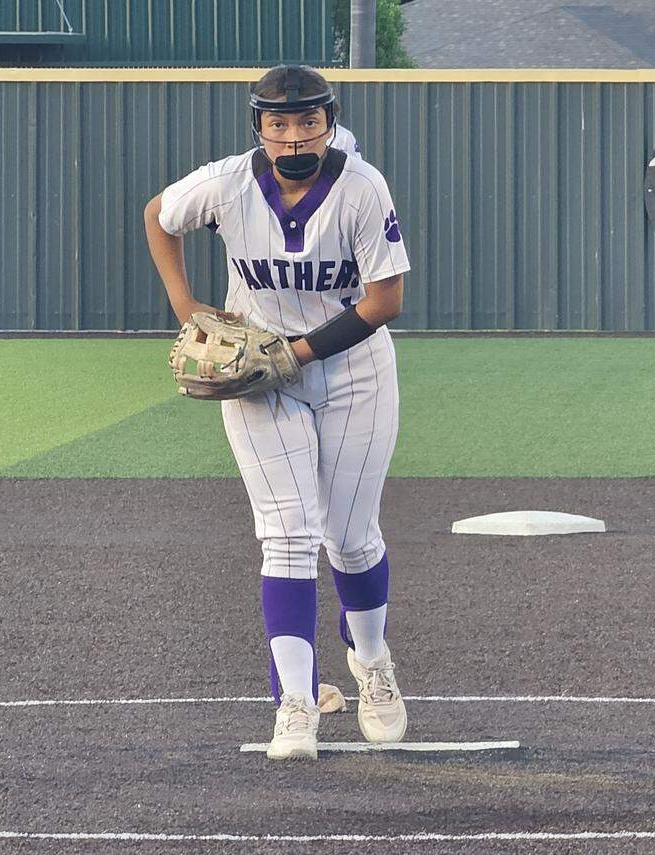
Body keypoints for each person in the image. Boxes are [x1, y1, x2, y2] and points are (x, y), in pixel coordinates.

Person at [143, 64, 409, 761]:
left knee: (351, 537)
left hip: (352, 372)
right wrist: (186, 306)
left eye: (309, 121)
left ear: (329, 120)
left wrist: (297, 351)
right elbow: (158, 215)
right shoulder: (229, 181)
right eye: (279, 123)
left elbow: (384, 302)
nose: (295, 135)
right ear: (259, 126)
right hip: (261, 378)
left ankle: (372, 662)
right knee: (287, 533)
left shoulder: (361, 186)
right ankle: (296, 701)